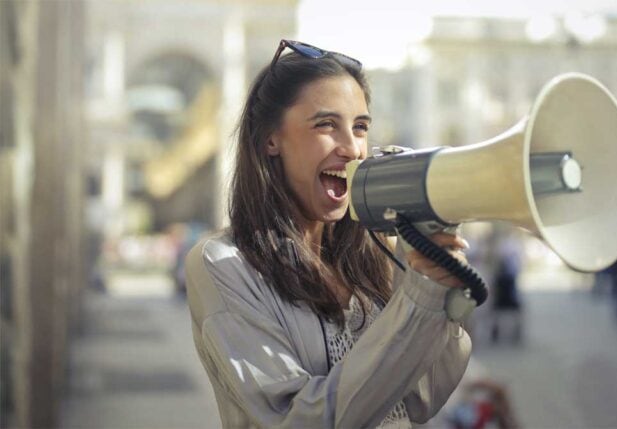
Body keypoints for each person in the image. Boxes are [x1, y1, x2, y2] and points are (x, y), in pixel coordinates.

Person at [184, 40, 473, 428]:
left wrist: (437, 288)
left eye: (360, 128)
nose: (353, 148)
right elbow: (300, 419)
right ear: (271, 139)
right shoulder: (223, 264)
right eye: (326, 125)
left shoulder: (379, 254)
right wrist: (418, 301)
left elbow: (423, 396)